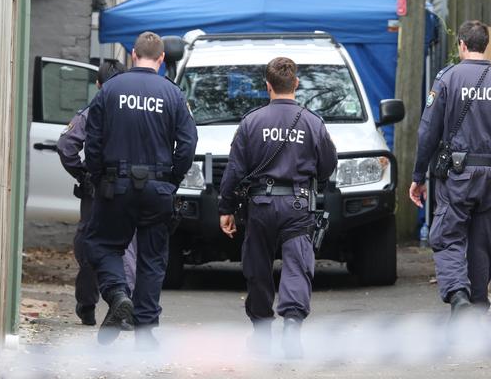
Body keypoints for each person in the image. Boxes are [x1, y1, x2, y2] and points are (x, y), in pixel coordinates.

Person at [409, 20, 491, 317]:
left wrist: (418, 177)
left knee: (448, 235)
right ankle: (476, 307)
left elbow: (427, 131)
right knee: (482, 241)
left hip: (456, 177)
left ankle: (458, 296)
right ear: (485, 45)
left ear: (462, 45)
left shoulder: (447, 79)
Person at [219, 57, 337, 359]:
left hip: (260, 205)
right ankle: (292, 330)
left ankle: (261, 334)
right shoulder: (313, 122)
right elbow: (327, 166)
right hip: (298, 204)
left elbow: (234, 170)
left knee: (257, 268)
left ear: (267, 86)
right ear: (295, 84)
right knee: (297, 266)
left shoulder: (251, 122)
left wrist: (226, 208)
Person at [84, 31, 197, 347]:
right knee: (151, 258)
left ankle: (118, 293)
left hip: (114, 185)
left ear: (133, 54)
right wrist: (172, 180)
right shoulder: (173, 94)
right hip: (157, 187)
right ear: (161, 59)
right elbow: (188, 144)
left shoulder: (110, 90)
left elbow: (92, 141)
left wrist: (98, 177)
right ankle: (145, 332)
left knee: (101, 244)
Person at [57, 59, 138, 327]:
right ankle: (122, 303)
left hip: (97, 189)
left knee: (90, 243)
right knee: (125, 248)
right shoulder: (133, 110)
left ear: (98, 84)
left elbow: (67, 145)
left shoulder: (92, 110)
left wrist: (82, 174)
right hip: (130, 186)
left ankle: (87, 305)